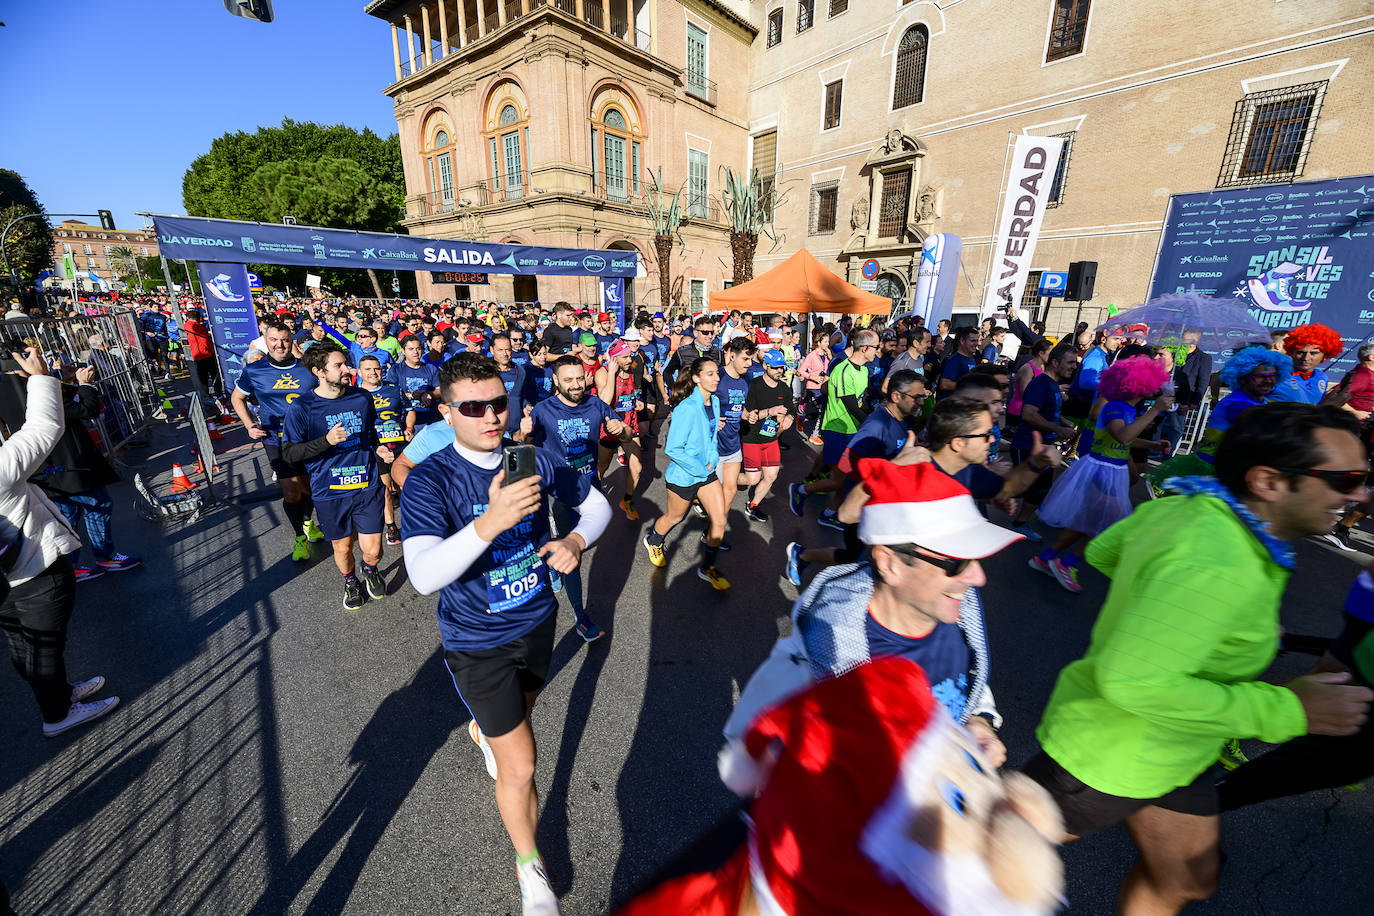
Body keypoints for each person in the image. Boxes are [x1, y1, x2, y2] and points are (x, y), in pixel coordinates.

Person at [1023, 403, 1374, 916]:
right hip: (1110, 753)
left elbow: (1104, 553)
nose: (1359, 494)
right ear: (1269, 482)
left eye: (1364, 478)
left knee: (1187, 879)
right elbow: (1133, 681)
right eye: (1345, 479)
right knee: (978, 862)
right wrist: (1291, 710)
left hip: (1177, 749)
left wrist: (1195, 615)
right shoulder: (1215, 556)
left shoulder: (1199, 508)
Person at [399, 352, 611, 915]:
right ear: (447, 413)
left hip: (538, 621)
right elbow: (422, 576)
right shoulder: (430, 479)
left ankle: (482, 732)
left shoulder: (534, 456)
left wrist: (574, 542)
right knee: (521, 763)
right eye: (474, 407)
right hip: (475, 641)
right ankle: (531, 870)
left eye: (500, 402)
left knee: (520, 714)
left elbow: (598, 507)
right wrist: (489, 521)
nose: (492, 415)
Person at [730, 459, 1021, 768]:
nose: (978, 578)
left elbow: (965, 678)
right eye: (957, 562)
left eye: (975, 558)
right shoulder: (814, 669)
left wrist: (979, 719)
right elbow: (761, 767)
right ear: (889, 563)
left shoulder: (955, 612)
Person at [0, 347, 117, 736]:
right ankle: (57, 715)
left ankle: (60, 694)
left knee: (27, 645)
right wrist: (40, 376)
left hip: (9, 580)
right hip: (33, 571)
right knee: (43, 648)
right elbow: (44, 428)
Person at [1218, 563, 1374, 810]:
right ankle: (1228, 721)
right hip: (1369, 605)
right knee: (1329, 680)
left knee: (1339, 690)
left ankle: (1337, 754)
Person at [1031, 356, 1171, 593]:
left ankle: (1045, 559)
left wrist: (1152, 445)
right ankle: (1065, 563)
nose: (1155, 389)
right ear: (1140, 384)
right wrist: (1155, 411)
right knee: (1106, 525)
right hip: (1102, 471)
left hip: (1112, 470)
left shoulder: (1127, 408)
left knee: (1086, 523)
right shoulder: (1114, 406)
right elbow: (1122, 436)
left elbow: (1127, 439)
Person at [785, 370, 927, 586]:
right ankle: (802, 555)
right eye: (916, 397)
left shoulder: (902, 421)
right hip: (862, 505)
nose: (921, 402)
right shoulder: (877, 424)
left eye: (922, 396)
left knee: (867, 558)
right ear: (897, 396)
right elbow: (847, 462)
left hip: (882, 504)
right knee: (858, 557)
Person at [521, 356, 624, 642]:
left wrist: (621, 429)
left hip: (589, 488)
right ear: (556, 381)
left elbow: (624, 432)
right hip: (559, 494)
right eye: (568, 380)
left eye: (580, 378)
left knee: (586, 542)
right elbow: (522, 446)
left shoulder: (595, 404)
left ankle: (555, 564)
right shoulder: (542, 410)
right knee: (572, 554)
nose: (576, 385)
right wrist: (523, 433)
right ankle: (581, 617)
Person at [283, 344, 393, 611]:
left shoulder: (361, 398)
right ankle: (350, 581)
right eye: (339, 366)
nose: (348, 370)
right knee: (343, 549)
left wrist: (378, 448)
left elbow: (370, 434)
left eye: (346, 363)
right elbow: (289, 453)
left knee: (374, 551)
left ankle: (370, 569)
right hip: (330, 491)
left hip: (366, 486)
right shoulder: (302, 407)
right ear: (318, 372)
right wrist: (326, 441)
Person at [37, 365, 142, 582]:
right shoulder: (37, 393)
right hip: (66, 463)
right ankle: (103, 557)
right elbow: (87, 410)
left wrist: (68, 381)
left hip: (53, 465)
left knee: (68, 515)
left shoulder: (21, 389)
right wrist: (85, 385)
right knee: (98, 504)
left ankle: (71, 566)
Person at [231, 322, 323, 562]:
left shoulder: (308, 368)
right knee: (291, 492)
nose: (280, 345)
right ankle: (299, 537)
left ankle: (308, 522)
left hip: (308, 437)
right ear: (265, 340)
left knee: (308, 488)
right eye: (274, 340)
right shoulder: (255, 370)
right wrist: (249, 425)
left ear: (291, 340)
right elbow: (237, 397)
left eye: (284, 339)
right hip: (275, 439)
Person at [642, 357, 730, 590]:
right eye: (710, 374)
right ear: (696, 378)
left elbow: (711, 435)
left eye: (717, 373)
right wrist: (699, 468)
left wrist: (711, 459)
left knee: (719, 520)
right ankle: (653, 539)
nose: (716, 378)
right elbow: (673, 448)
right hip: (685, 475)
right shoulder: (686, 407)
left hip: (707, 472)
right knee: (675, 517)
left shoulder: (716, 402)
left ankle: (708, 568)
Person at [1147, 346, 1288, 486]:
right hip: (1213, 473)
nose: (1267, 380)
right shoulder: (1237, 403)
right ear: (1243, 378)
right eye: (1260, 376)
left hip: (1233, 469)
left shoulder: (1261, 401)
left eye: (1272, 376)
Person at [791, 328, 879, 528]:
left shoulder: (864, 370)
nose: (878, 350)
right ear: (865, 348)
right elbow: (849, 404)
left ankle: (830, 512)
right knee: (840, 480)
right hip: (837, 429)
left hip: (853, 430)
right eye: (875, 347)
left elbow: (860, 401)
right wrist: (872, 423)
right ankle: (801, 490)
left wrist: (872, 416)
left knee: (848, 478)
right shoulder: (842, 369)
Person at [1007, 343, 1081, 541]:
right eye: (1070, 362)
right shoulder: (1041, 384)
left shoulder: (1051, 385)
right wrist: (1058, 429)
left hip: (1043, 446)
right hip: (1029, 445)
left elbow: (1045, 412)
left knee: (1038, 490)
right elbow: (1029, 414)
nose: (1074, 366)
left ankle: (1021, 519)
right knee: (1032, 491)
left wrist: (1062, 421)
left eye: (1075, 362)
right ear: (1055, 362)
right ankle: (1017, 524)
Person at [357, 355, 413, 547]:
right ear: (359, 373)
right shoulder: (354, 395)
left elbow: (410, 410)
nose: (373, 373)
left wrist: (409, 428)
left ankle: (415, 522)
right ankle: (391, 527)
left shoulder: (393, 388)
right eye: (368, 369)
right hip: (374, 448)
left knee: (408, 485)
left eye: (377, 368)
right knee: (386, 489)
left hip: (399, 446)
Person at [738, 348, 795, 522]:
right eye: (775, 368)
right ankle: (724, 477)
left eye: (782, 368)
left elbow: (791, 408)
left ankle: (753, 505)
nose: (780, 371)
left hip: (771, 439)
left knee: (771, 476)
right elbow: (748, 415)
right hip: (752, 438)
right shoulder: (754, 385)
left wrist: (790, 417)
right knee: (752, 478)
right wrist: (771, 411)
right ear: (765, 366)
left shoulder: (784, 389)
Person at [594, 340, 645, 519]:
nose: (629, 359)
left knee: (637, 467)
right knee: (602, 466)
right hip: (610, 426)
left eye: (629, 355)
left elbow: (631, 393)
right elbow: (604, 402)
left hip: (630, 425)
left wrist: (636, 401)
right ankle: (594, 496)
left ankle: (627, 500)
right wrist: (612, 374)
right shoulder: (602, 373)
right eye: (624, 357)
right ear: (614, 359)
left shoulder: (632, 369)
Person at [1268, 322, 1343, 404]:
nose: (1306, 358)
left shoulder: (1321, 376)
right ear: (1291, 353)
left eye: (1313, 353)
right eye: (1300, 352)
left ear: (1324, 355)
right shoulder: (1274, 376)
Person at [1065, 330, 1124, 422]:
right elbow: (1085, 383)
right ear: (1103, 339)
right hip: (1080, 408)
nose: (1118, 342)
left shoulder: (1103, 354)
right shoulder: (1095, 357)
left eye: (1120, 339)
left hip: (1084, 405)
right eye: (1115, 338)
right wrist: (1109, 387)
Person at [937, 326, 981, 398]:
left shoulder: (972, 358)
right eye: (972, 341)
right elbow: (944, 384)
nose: (976, 344)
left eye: (977, 340)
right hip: (951, 405)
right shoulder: (954, 360)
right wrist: (968, 386)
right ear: (962, 341)